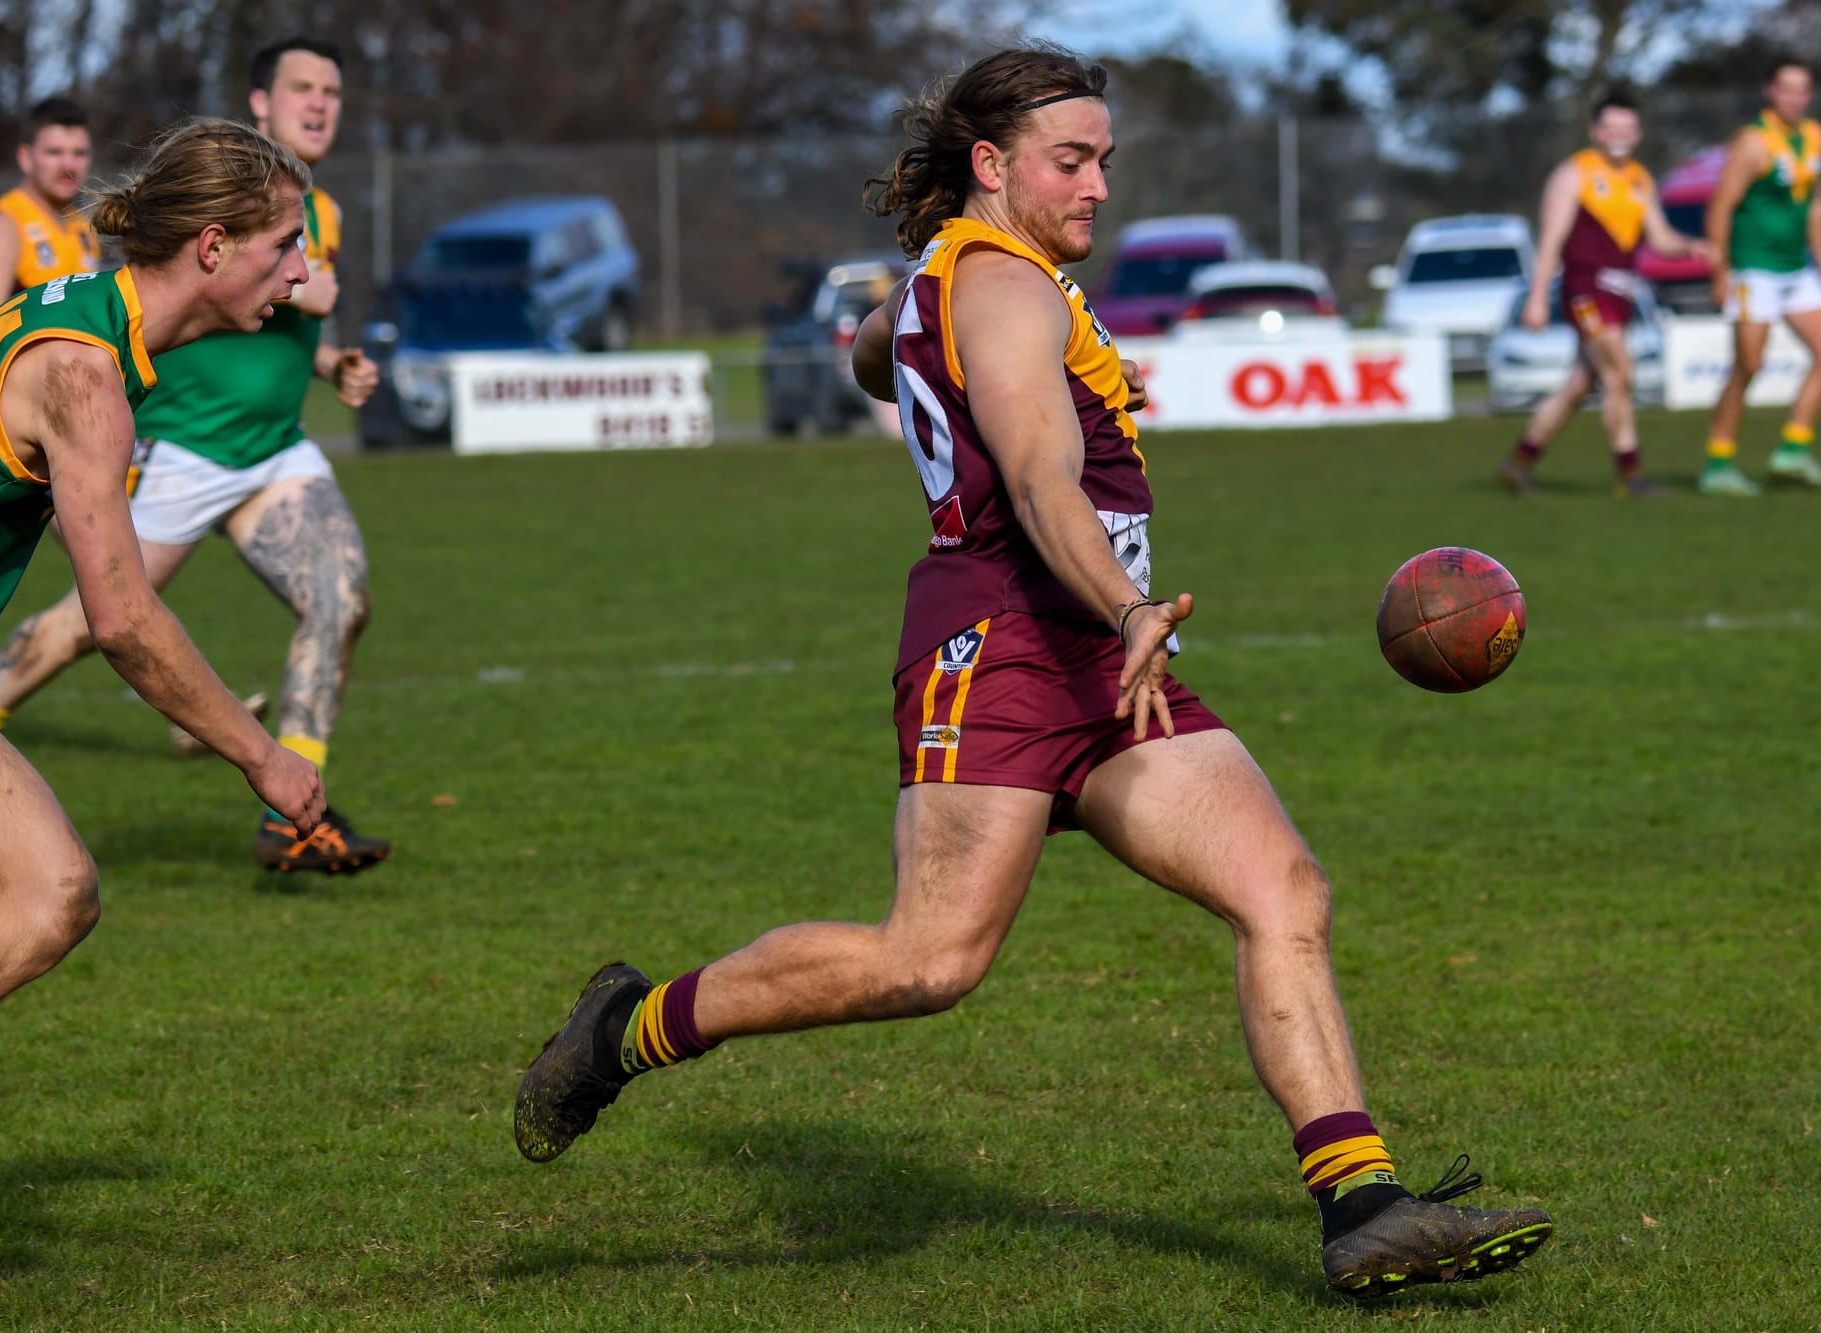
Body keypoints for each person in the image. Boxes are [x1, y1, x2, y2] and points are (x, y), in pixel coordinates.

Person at [514, 45, 1554, 1302]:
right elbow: (1035, 478)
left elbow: (874, 351)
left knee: (1280, 887)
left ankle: (1361, 1204)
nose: (1098, 184)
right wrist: (1123, 607)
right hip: (1005, 641)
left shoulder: (952, 283)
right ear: (991, 165)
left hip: (1094, 650)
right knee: (928, 963)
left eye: (1106, 159)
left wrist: (905, 352)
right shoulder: (1006, 293)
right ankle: (629, 1024)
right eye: (1073, 160)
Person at [0, 117, 326, 1303]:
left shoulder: (88, 317)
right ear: (211, 247)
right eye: (284, 246)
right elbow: (123, 620)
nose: (301, 273)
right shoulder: (86, 377)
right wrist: (265, 755)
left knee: (51, 892)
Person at [0, 36, 388, 875]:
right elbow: (183, 302)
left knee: (341, 599)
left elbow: (278, 312)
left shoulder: (318, 212)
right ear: (260, 104)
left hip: (273, 451)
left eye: (333, 92)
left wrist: (329, 359)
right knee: (89, 625)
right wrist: (307, 293)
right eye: (303, 88)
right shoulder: (220, 197)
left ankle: (294, 815)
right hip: (186, 453)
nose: (320, 105)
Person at [1500, 89, 1707, 498]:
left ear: (1638, 132)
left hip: (1620, 293)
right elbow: (1552, 240)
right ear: (1596, 130)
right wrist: (1538, 297)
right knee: (1620, 368)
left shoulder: (1639, 179)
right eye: (1611, 126)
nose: (1619, 135)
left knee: (1580, 384)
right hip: (1585, 291)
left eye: (1627, 128)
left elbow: (1660, 238)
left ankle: (1520, 461)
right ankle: (1631, 474)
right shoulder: (1573, 174)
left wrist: (1692, 246)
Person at [1698, 57, 1821, 496]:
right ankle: (1717, 464)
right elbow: (1720, 208)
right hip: (1753, 269)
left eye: (1803, 88)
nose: (1795, 96)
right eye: (1787, 88)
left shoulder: (1813, 137)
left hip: (1795, 268)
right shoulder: (1753, 142)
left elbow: (1814, 208)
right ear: (1771, 90)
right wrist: (1720, 270)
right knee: (1750, 365)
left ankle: (1792, 450)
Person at [0, 96, 103, 335]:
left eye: (79, 153)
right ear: (26, 158)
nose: (68, 165)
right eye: (54, 152)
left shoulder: (83, 228)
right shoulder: (2, 225)